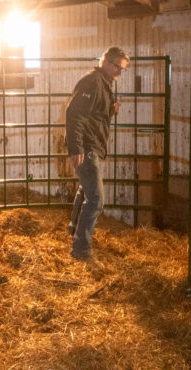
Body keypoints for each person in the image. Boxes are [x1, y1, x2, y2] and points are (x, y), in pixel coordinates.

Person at [65, 46, 129, 261]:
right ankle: (81, 251)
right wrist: (76, 148)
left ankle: (74, 229)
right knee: (96, 200)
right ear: (106, 62)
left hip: (91, 145)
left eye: (123, 69)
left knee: (86, 189)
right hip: (87, 146)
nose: (120, 72)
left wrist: (111, 109)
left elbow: (94, 112)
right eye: (118, 67)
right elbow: (75, 114)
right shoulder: (92, 81)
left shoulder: (103, 83)